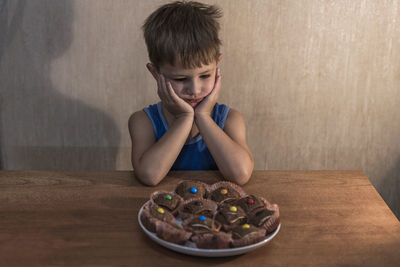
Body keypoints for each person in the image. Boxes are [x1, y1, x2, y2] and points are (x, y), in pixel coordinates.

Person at [129, 1, 254, 186]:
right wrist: (184, 118)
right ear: (156, 73)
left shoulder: (229, 120)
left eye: (205, 75)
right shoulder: (143, 121)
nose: (195, 90)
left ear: (217, 65)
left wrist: (203, 117)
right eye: (180, 79)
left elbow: (240, 175)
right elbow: (149, 176)